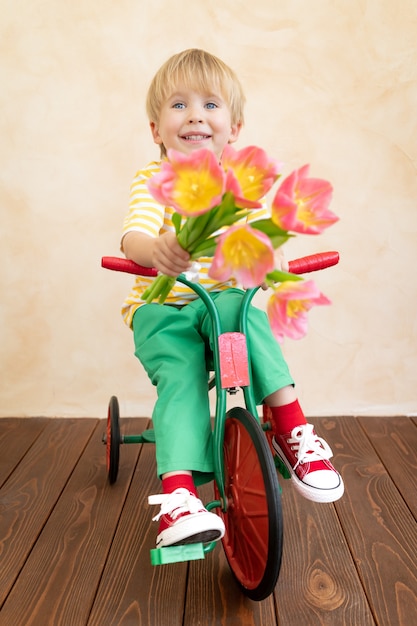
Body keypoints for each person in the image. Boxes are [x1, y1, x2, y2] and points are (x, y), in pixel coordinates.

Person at [121, 49, 344, 549]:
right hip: (162, 311)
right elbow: (132, 238)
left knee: (245, 313)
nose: (196, 115)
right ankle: (178, 499)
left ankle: (292, 430)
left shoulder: (239, 186)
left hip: (219, 302)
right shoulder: (151, 182)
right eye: (178, 105)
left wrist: (273, 264)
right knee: (180, 382)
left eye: (210, 105)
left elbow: (258, 246)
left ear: (234, 127)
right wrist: (155, 251)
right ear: (156, 129)